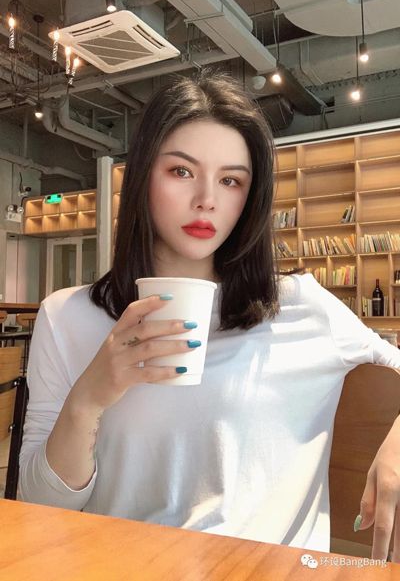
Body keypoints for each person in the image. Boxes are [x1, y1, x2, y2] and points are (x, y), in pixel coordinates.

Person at [19, 69, 400, 560]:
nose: (207, 200)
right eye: (181, 171)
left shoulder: (300, 306)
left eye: (230, 180)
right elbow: (38, 506)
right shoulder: (66, 317)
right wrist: (88, 398)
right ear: (142, 177)